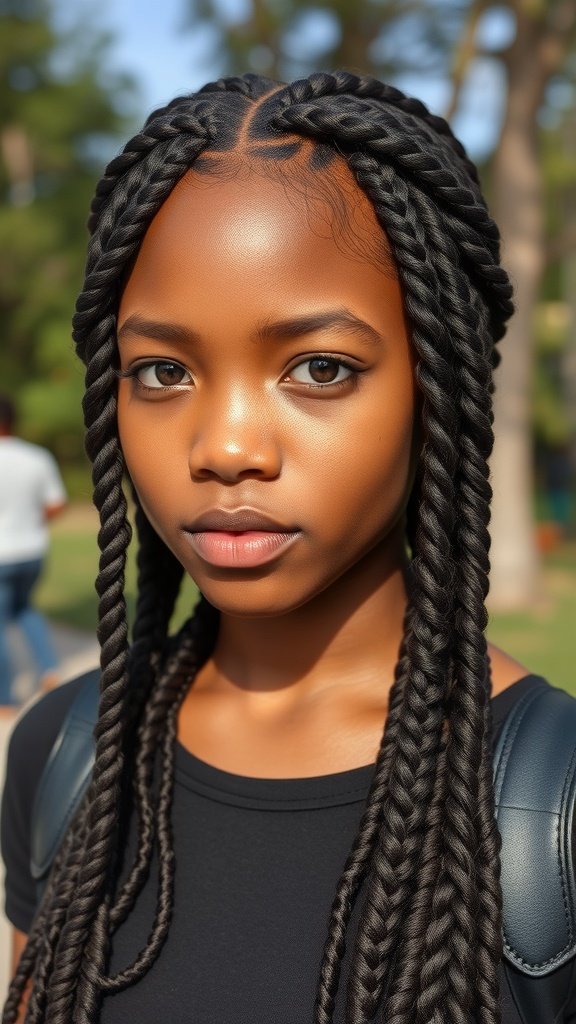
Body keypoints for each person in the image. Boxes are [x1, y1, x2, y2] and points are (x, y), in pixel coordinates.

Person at [0, 71, 572, 1024]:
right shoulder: (68, 753)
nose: (225, 448)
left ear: (443, 380)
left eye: (319, 368)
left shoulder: (546, 812)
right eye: (163, 370)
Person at [0, 394, 66, 707]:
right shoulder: (36, 457)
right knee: (25, 608)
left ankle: (4, 698)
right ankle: (49, 670)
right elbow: (56, 504)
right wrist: (29, 521)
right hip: (31, 550)